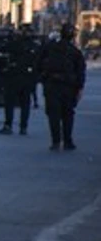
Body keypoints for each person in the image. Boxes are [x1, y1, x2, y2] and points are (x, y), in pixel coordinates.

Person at [36, 22, 86, 151]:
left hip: (52, 85)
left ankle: (56, 141)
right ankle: (68, 141)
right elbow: (80, 70)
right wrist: (80, 87)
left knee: (54, 114)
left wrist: (43, 79)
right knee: (68, 114)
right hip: (69, 86)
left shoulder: (50, 48)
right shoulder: (75, 52)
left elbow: (38, 63)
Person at [0, 26, 40, 135]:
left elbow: (3, 49)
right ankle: (23, 127)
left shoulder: (14, 44)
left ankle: (8, 125)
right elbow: (38, 64)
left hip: (13, 76)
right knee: (25, 103)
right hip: (27, 78)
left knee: (10, 102)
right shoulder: (35, 46)